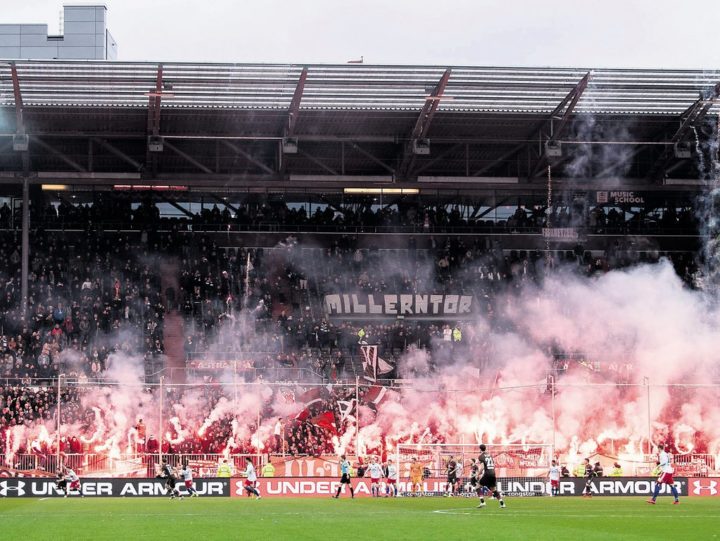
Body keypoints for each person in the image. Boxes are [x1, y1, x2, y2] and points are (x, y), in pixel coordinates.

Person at [476, 444, 505, 509]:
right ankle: (502, 503)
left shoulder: (481, 456)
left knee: (477, 486)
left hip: (487, 474)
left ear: (480, 449)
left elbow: (482, 468)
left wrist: (478, 475)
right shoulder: (490, 455)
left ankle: (482, 502)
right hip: (493, 473)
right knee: (494, 489)